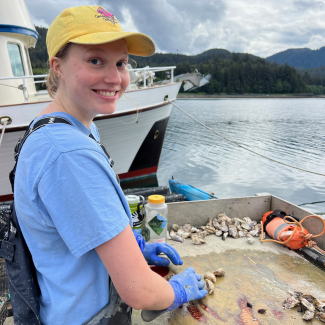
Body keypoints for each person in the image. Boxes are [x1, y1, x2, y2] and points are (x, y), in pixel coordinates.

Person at [13, 5, 207, 325]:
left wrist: (133, 246)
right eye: (95, 60)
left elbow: (76, 222)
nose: (115, 78)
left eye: (121, 63)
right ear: (57, 67)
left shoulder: (59, 126)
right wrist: (178, 290)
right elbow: (140, 291)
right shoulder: (68, 155)